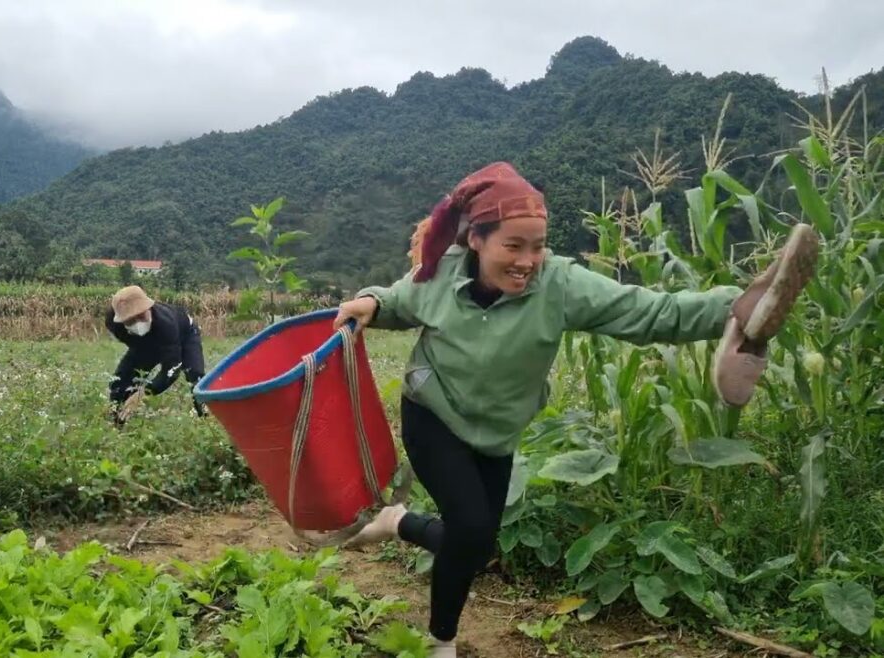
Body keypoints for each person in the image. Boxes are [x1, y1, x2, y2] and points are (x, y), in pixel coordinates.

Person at [332, 162, 818, 657]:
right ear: (476, 240)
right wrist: (370, 302)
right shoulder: (438, 275)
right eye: (513, 246)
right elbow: (396, 301)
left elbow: (648, 311)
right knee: (472, 527)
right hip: (433, 416)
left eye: (538, 247)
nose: (527, 261)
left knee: (475, 546)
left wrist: (731, 310)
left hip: (497, 431)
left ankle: (398, 522)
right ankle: (441, 642)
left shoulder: (561, 285)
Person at [105, 285, 209, 427]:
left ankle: (206, 419)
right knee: (120, 381)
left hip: (184, 335)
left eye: (141, 316)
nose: (137, 323)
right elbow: (136, 351)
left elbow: (171, 371)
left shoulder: (166, 324)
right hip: (147, 343)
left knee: (195, 375)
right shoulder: (113, 323)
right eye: (130, 320)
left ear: (148, 308)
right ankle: (117, 421)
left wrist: (144, 392)